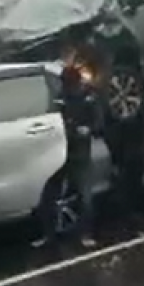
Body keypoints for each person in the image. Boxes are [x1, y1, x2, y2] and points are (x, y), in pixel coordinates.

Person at [33, 61, 102, 248]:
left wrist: (87, 129)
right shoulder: (60, 99)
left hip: (79, 153)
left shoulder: (88, 98)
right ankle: (49, 235)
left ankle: (85, 234)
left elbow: (98, 123)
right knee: (49, 196)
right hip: (58, 153)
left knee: (84, 197)